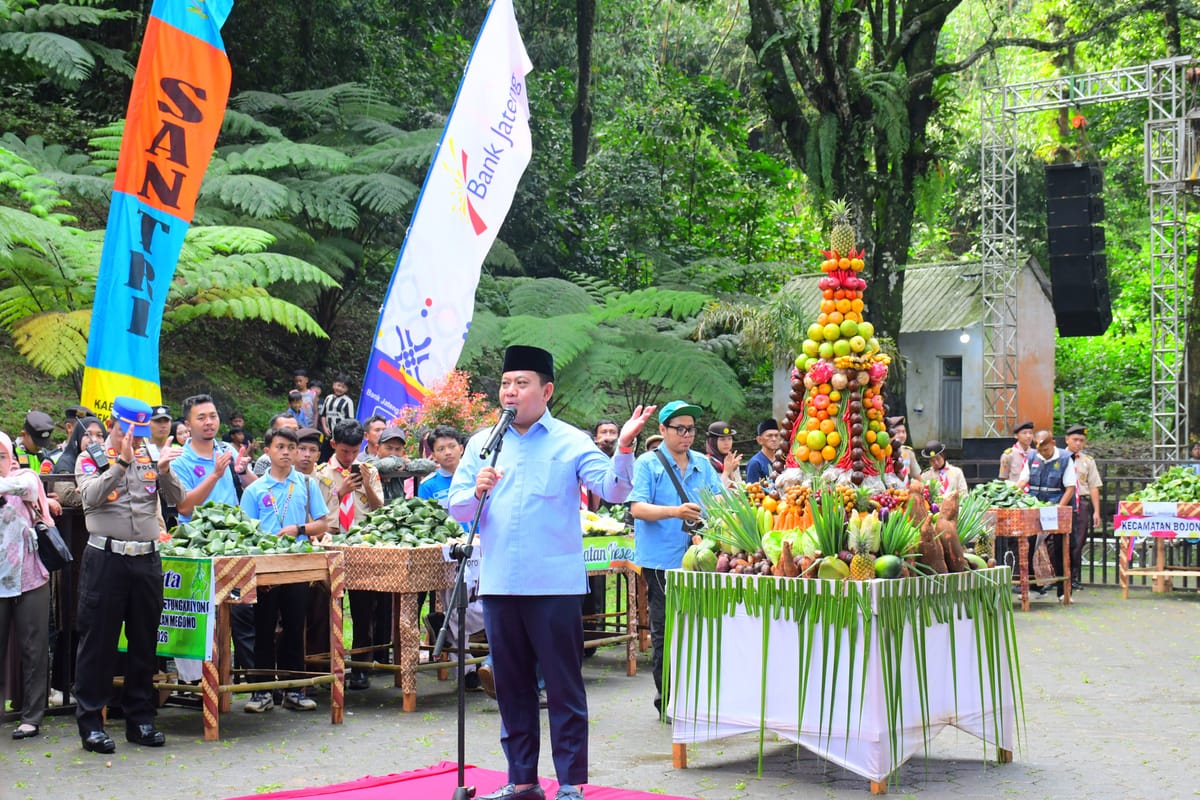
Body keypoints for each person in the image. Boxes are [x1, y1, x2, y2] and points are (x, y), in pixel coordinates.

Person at [447, 345, 654, 800]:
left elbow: (614, 488)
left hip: (555, 586)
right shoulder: (482, 443)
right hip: (500, 583)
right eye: (505, 384)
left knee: (563, 689)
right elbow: (457, 505)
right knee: (512, 687)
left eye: (521, 384)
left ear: (546, 390)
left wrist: (623, 447)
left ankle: (570, 784)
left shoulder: (571, 440)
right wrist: (475, 489)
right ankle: (522, 780)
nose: (511, 392)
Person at [73, 397, 185, 753]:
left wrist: (165, 472)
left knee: (144, 641)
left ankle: (141, 719)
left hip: (147, 560)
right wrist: (120, 462)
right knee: (98, 642)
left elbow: (181, 502)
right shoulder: (91, 456)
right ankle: (91, 722)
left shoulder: (151, 455)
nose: (134, 438)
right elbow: (89, 497)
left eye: (140, 431)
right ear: (112, 423)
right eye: (128, 430)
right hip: (106, 559)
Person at [629, 400, 724, 717]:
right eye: (679, 429)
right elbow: (637, 508)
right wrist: (675, 512)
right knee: (666, 631)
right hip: (661, 562)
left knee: (699, 628)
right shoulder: (648, 463)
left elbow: (720, 502)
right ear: (662, 430)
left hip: (700, 561)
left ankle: (699, 697)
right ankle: (667, 701)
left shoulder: (703, 464)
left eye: (691, 429)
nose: (686, 435)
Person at [239, 427, 328, 713]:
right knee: (263, 627)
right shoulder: (255, 490)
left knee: (294, 625)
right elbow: (245, 531)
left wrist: (299, 529)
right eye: (280, 447)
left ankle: (295, 689)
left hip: (296, 565)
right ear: (268, 451)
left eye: (292, 447)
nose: (287, 452)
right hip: (264, 569)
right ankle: (262, 691)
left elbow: (323, 523)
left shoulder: (305, 482)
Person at [318, 420, 385, 690]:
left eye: (355, 451)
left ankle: (360, 666)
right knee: (326, 608)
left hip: (361, 544)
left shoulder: (369, 470)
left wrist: (365, 485)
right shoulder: (320, 473)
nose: (349, 457)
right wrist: (340, 491)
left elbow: (379, 508)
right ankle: (325, 666)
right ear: (333, 445)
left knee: (363, 607)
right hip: (331, 543)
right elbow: (317, 511)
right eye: (345, 451)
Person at [0, 431, 53, 740]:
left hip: (30, 577)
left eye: (2, 455)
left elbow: (26, 487)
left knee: (34, 647)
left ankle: (32, 715)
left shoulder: (26, 478)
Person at [1017, 430, 1076, 599]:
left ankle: (1063, 591)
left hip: (1057, 504)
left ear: (1053, 444)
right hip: (1035, 505)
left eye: (1046, 450)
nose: (1043, 453)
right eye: (1041, 450)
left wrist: (1058, 509)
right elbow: (1023, 481)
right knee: (1027, 545)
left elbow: (1070, 488)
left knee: (1060, 548)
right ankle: (1032, 587)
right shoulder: (1032, 457)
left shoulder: (1065, 458)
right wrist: (1011, 493)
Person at [1064, 424, 1102, 591]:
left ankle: (1073, 576)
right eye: (1075, 440)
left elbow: (1094, 486)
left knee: (1078, 541)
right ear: (1067, 439)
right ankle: (1057, 575)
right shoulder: (1059, 457)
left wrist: (1097, 512)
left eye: (1081, 440)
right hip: (1063, 501)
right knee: (1055, 540)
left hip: (1082, 502)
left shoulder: (1087, 461)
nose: (1078, 443)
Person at [51, 415, 105, 509]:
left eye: (99, 435)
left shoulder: (110, 460)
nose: (94, 440)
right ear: (78, 437)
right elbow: (67, 496)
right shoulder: (66, 462)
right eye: (87, 435)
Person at [317, 375, 355, 462]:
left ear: (347, 389)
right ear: (333, 385)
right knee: (323, 456)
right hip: (328, 434)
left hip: (341, 436)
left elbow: (350, 420)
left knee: (339, 456)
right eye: (338, 385)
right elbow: (323, 415)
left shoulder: (348, 401)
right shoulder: (328, 398)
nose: (340, 388)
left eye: (343, 387)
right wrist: (325, 428)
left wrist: (344, 433)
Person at [16, 410, 60, 475]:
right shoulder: (11, 455)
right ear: (24, 434)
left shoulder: (45, 455)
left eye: (43, 443)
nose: (40, 447)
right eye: (36, 443)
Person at [704, 421, 742, 488]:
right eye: (722, 439)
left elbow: (740, 489)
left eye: (729, 439)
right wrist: (726, 472)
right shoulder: (706, 463)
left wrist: (731, 472)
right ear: (713, 442)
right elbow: (714, 491)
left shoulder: (732, 461)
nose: (727, 443)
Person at [744, 418, 781, 484]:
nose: (774, 439)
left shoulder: (782, 459)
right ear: (759, 440)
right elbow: (753, 491)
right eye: (769, 436)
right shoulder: (755, 463)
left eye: (776, 435)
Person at [886, 417, 921, 483]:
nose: (902, 435)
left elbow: (917, 476)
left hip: (904, 491)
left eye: (903, 432)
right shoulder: (884, 453)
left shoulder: (908, 452)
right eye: (897, 432)